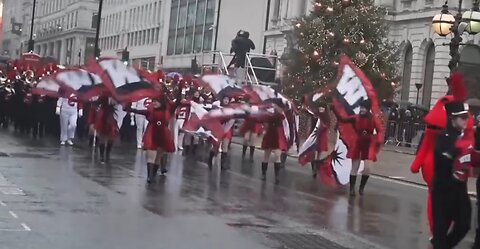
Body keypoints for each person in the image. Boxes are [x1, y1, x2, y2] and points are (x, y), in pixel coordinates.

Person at [432, 100, 472, 249]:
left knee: (464, 224)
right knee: (440, 231)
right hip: (443, 188)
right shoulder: (443, 137)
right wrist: (456, 149)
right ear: (452, 118)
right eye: (462, 117)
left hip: (460, 189)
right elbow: (441, 161)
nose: (465, 120)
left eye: (466, 117)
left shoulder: (467, 137)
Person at [336, 99, 382, 196]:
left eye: (364, 108)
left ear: (368, 108)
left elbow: (379, 130)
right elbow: (343, 119)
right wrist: (336, 110)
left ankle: (361, 188)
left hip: (369, 143)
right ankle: (352, 189)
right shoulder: (356, 117)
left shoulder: (373, 119)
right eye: (361, 107)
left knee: (367, 168)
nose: (361, 110)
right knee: (354, 167)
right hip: (358, 143)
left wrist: (378, 140)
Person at [128, 96, 178, 183]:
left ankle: (153, 174)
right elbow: (139, 111)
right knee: (151, 154)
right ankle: (149, 176)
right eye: (153, 101)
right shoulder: (150, 111)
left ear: (162, 102)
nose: (154, 103)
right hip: (151, 132)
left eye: (156, 101)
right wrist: (129, 108)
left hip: (163, 134)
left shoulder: (168, 110)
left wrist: (180, 88)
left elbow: (177, 102)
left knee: (158, 157)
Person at [259, 99, 287, 184]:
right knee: (266, 154)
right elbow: (264, 120)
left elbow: (283, 120)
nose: (275, 106)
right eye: (275, 105)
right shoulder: (269, 112)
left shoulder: (282, 114)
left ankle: (277, 176)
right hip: (270, 132)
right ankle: (264, 174)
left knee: (277, 155)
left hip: (278, 134)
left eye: (277, 105)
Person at [207, 96, 235, 170]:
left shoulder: (230, 109)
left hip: (227, 128)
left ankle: (223, 164)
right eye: (224, 99)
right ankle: (210, 158)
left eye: (227, 99)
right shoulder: (217, 106)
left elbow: (233, 119)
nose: (226, 100)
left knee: (225, 146)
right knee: (216, 146)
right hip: (218, 128)